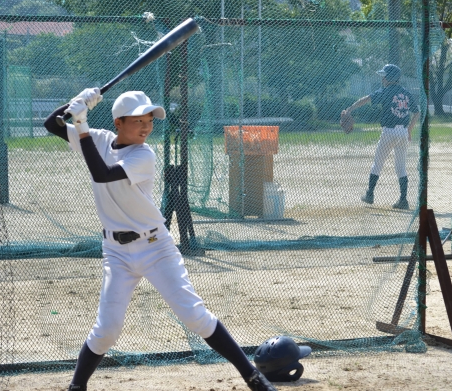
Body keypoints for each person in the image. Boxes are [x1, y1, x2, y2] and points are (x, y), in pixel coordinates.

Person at [45, 89, 279, 391]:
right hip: (116, 253)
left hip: (155, 248)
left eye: (150, 120)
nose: (146, 127)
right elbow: (51, 124)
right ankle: (76, 387)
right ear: (118, 123)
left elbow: (102, 173)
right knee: (107, 330)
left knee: (194, 316)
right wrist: (78, 101)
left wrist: (81, 123)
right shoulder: (100, 140)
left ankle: (253, 377)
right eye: (138, 121)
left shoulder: (143, 155)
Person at [342, 64, 420, 210]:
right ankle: (403, 200)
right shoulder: (406, 93)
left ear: (390, 78)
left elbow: (366, 99)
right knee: (401, 167)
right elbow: (417, 112)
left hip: (389, 132)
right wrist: (409, 130)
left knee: (377, 164)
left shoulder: (386, 91)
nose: (382, 79)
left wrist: (350, 109)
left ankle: (370, 194)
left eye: (384, 76)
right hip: (403, 133)